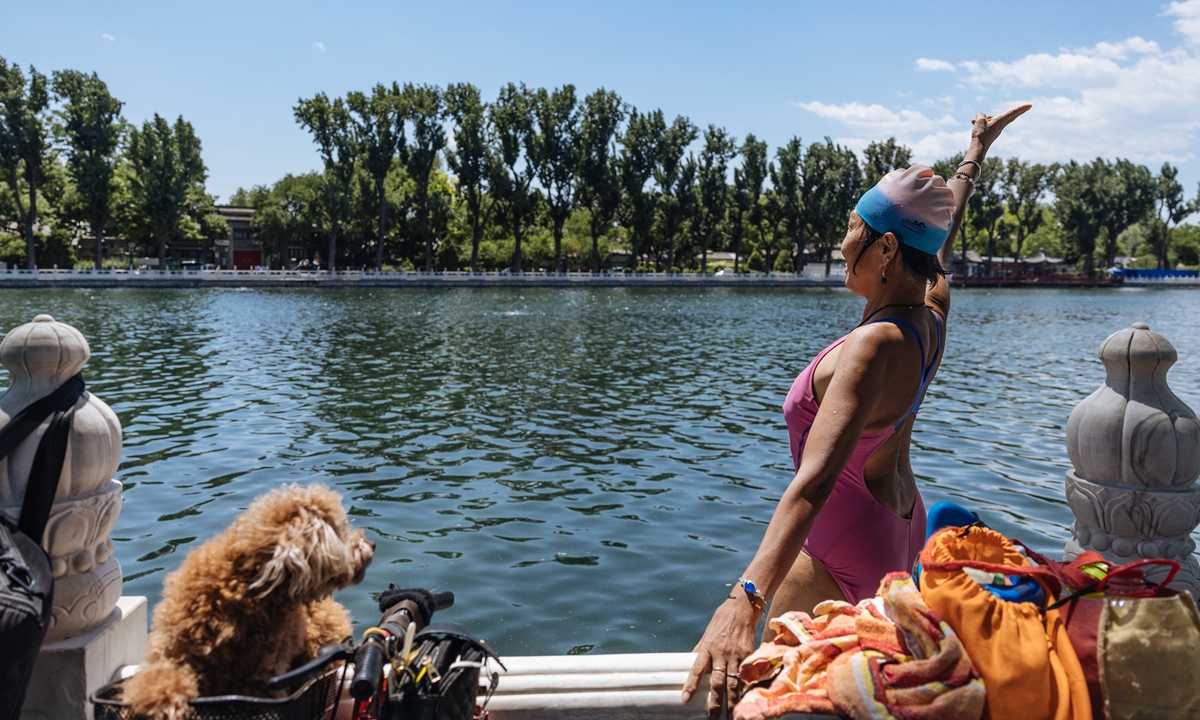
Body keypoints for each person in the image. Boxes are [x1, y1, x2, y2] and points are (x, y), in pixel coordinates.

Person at [680, 104, 1031, 719]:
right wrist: (973, 156)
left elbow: (813, 482)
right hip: (898, 530)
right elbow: (939, 242)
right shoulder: (931, 318)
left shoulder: (871, 349)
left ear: (887, 247)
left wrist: (745, 598)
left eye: (850, 230)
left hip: (832, 550)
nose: (842, 245)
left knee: (755, 696)